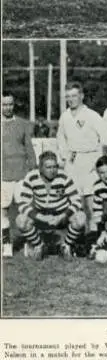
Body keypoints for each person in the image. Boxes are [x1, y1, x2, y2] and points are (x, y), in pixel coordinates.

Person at [15, 151, 86, 260]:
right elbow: (22, 204)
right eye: (48, 167)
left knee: (81, 217)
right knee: (21, 220)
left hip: (61, 215)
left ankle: (65, 246)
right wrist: (41, 217)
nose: (52, 170)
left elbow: (77, 200)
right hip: (41, 215)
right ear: (40, 168)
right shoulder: (31, 177)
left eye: (55, 166)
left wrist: (62, 216)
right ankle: (39, 245)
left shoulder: (64, 176)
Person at [56, 81, 107, 229]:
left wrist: (97, 159)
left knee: (91, 203)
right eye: (68, 96)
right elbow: (61, 139)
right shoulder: (64, 117)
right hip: (73, 162)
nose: (71, 99)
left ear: (82, 96)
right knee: (74, 202)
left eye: (74, 96)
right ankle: (78, 241)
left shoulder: (92, 115)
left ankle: (94, 239)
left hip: (90, 161)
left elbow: (104, 138)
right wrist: (65, 157)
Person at [1, 92, 37, 257]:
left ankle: (29, 242)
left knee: (25, 210)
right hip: (3, 176)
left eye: (10, 104)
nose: (7, 107)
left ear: (14, 105)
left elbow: (29, 149)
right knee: (3, 211)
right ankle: (6, 243)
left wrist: (33, 170)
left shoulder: (22, 124)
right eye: (4, 104)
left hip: (22, 174)